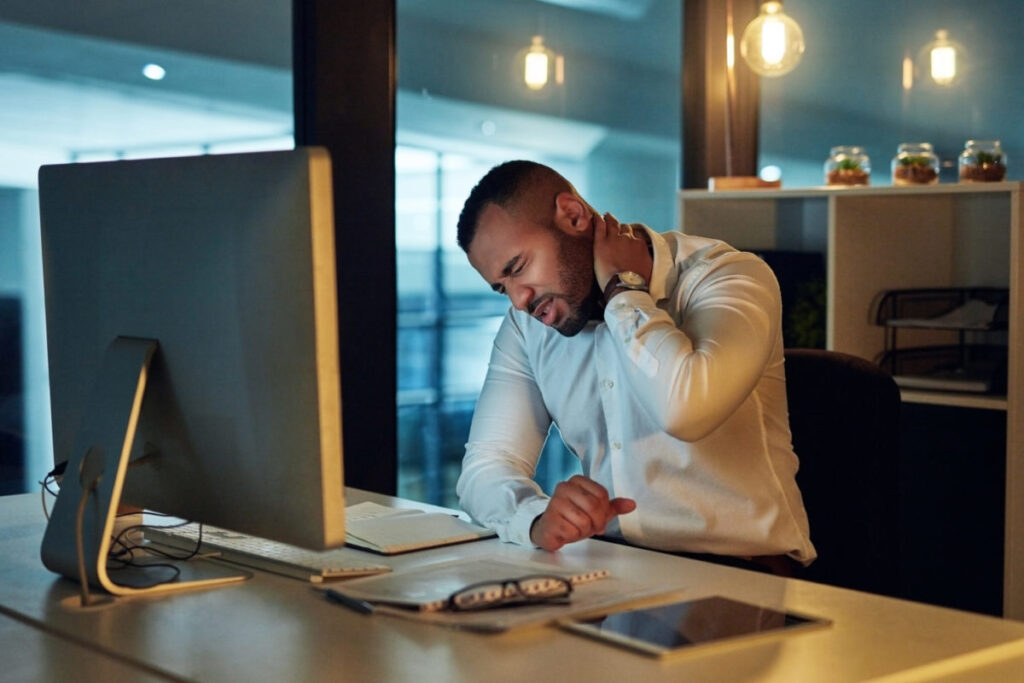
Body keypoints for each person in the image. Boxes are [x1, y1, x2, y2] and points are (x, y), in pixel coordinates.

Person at [454, 160, 816, 574]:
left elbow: (686, 410)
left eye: (518, 268)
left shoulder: (729, 276)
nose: (518, 300)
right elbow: (485, 466)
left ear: (573, 215)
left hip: (744, 575)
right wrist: (535, 519)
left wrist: (624, 291)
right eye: (502, 288)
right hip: (614, 570)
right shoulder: (526, 326)